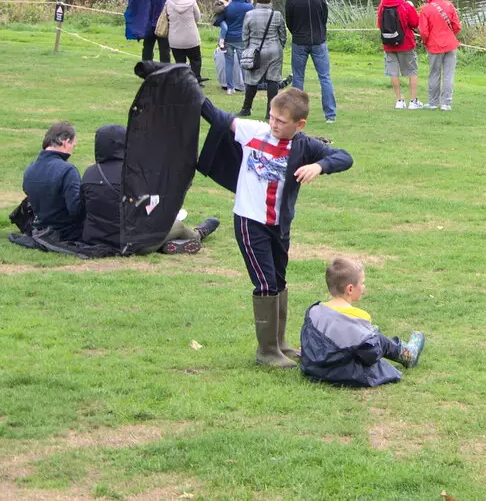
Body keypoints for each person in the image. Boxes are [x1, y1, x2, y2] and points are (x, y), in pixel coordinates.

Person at [198, 87, 354, 368]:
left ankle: (280, 343)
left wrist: (319, 166)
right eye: (271, 117)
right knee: (266, 282)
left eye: (281, 121)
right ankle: (266, 351)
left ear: (300, 124)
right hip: (249, 221)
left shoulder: (304, 145)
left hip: (279, 226)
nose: (273, 124)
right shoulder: (253, 131)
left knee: (279, 281)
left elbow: (345, 157)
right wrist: (182, 83)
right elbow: (214, 115)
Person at [80, 124, 221, 255]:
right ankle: (198, 234)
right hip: (133, 243)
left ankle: (170, 244)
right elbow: (151, 209)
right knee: (178, 226)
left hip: (96, 239)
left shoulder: (89, 173)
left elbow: (81, 207)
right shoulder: (136, 173)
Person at [299, 257, 425, 387]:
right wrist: (373, 334)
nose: (364, 287)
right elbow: (370, 354)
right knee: (378, 339)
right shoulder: (358, 317)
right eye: (362, 283)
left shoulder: (314, 311)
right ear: (350, 289)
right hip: (343, 372)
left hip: (313, 368)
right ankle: (407, 354)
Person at [285, 0, 336, 123]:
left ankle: (297, 114)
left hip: (300, 41)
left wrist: (297, 33)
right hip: (318, 40)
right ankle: (330, 115)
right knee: (325, 77)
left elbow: (290, 22)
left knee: (298, 78)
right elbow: (323, 16)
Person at [21, 122, 83, 241]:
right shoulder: (68, 170)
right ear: (65, 142)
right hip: (65, 232)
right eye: (73, 146)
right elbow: (76, 209)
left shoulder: (30, 169)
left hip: (40, 228)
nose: (72, 150)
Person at [239, 0, 286, 117]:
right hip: (274, 50)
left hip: (255, 50)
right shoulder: (276, 15)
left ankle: (246, 108)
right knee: (273, 80)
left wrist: (247, 49)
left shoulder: (249, 15)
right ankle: (270, 111)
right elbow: (283, 34)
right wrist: (279, 46)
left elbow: (245, 35)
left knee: (252, 80)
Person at [377, 0, 422, 111]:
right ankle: (413, 101)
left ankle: (399, 100)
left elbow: (380, 24)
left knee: (393, 73)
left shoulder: (382, 6)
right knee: (412, 71)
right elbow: (415, 22)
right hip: (405, 43)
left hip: (389, 45)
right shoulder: (405, 5)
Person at [417, 0, 462, 111]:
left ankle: (432, 103)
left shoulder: (426, 9)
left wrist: (425, 41)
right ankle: (446, 103)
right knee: (449, 74)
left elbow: (424, 32)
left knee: (434, 74)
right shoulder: (449, 5)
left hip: (434, 45)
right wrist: (449, 35)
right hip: (450, 44)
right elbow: (457, 26)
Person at [161, 0, 205, 82]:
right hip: (191, 38)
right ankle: (195, 78)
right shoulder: (191, 1)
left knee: (180, 61)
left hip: (175, 38)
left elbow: (166, 16)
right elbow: (197, 17)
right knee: (195, 60)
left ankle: (182, 80)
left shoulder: (168, 2)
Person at [214, 0, 253, 97]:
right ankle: (246, 86)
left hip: (228, 39)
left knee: (229, 63)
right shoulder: (249, 7)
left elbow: (218, 20)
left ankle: (230, 88)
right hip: (241, 39)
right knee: (243, 63)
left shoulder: (228, 7)